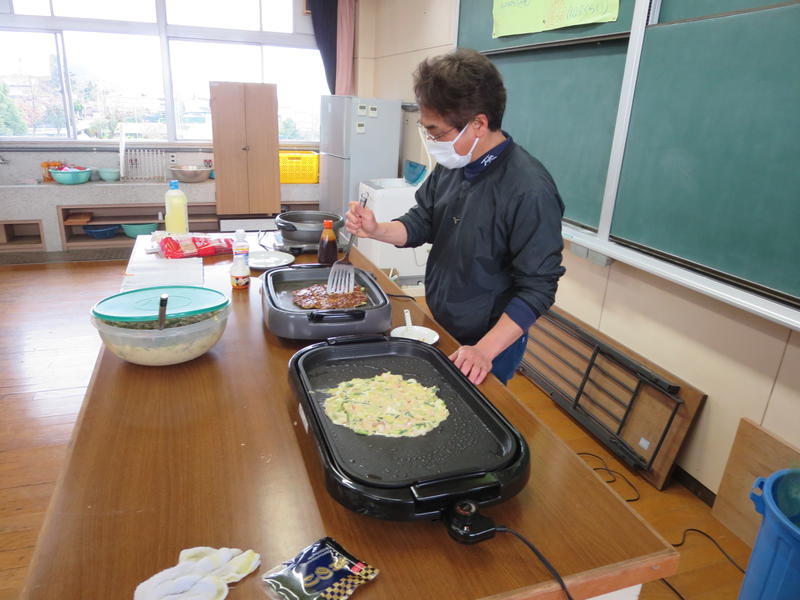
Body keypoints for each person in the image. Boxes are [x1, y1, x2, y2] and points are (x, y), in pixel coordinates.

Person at [345, 48, 565, 385]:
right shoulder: (455, 163)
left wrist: (484, 350)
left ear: (478, 124)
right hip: (444, 320)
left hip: (490, 341)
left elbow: (539, 287)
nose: (432, 141)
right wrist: (376, 229)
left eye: (437, 132)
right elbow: (423, 221)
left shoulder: (529, 189)